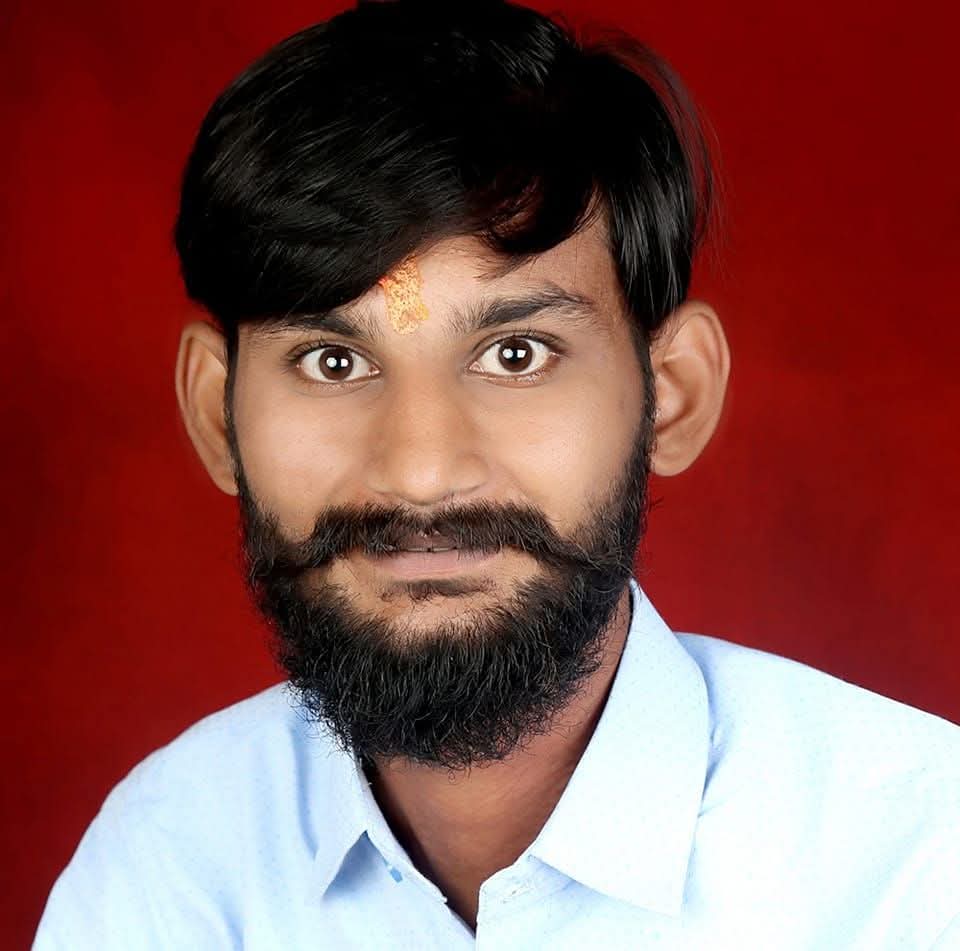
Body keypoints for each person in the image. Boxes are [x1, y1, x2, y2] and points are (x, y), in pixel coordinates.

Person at [34, 1, 960, 947]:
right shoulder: (167, 873)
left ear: (671, 398)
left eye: (517, 354)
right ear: (217, 416)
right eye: (333, 361)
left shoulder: (919, 873)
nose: (422, 472)